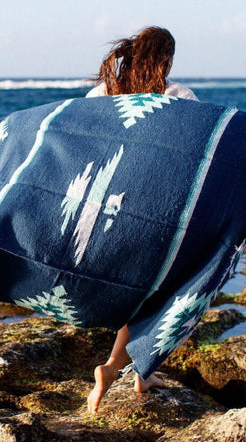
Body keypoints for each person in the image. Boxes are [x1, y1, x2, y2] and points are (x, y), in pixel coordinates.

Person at [85, 26, 199, 415]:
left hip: (106, 209)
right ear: (165, 57)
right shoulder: (177, 96)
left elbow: (80, 140)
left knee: (140, 292)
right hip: (157, 209)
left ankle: (137, 370)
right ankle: (120, 366)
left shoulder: (102, 95)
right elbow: (197, 150)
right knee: (166, 291)